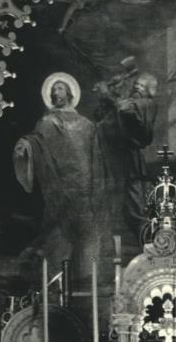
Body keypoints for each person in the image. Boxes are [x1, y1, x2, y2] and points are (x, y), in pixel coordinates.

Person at [13, 72, 103, 276]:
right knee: (57, 231)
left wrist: (95, 184)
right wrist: (25, 146)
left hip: (83, 186)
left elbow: (96, 155)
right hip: (57, 185)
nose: (56, 92)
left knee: (87, 232)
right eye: (54, 90)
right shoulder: (47, 122)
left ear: (70, 93)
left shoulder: (87, 125)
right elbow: (36, 141)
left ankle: (87, 277)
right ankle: (55, 279)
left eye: (60, 88)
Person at [96, 57, 158, 238]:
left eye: (140, 86)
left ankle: (149, 240)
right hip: (114, 156)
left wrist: (108, 94)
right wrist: (106, 99)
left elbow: (125, 110)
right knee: (114, 203)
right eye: (136, 86)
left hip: (129, 159)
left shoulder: (146, 104)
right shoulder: (132, 102)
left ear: (148, 90)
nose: (136, 88)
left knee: (135, 204)